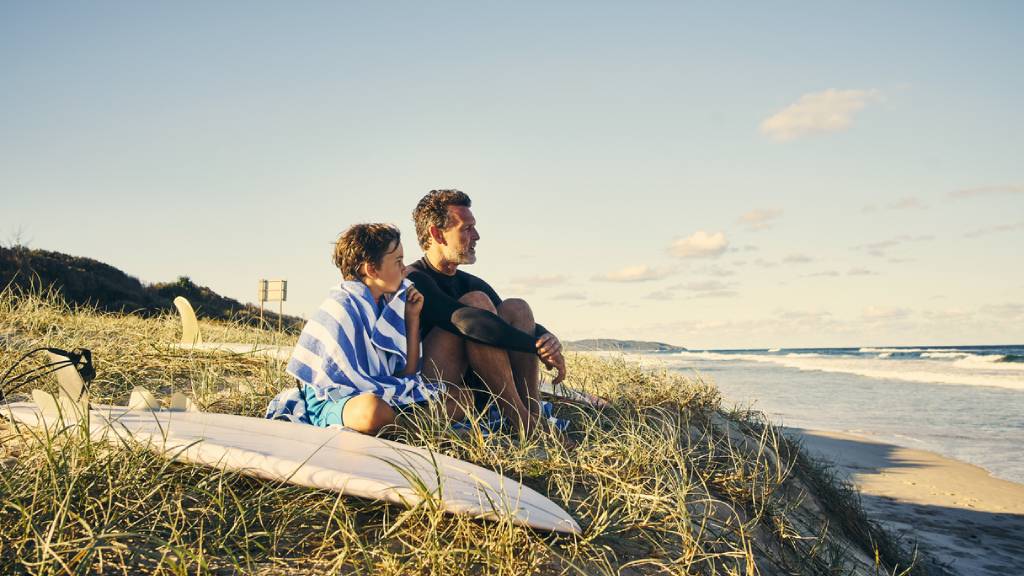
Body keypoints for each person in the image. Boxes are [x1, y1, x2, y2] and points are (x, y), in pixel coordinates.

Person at [266, 223, 472, 435]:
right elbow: (332, 387)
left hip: (385, 394)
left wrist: (412, 318)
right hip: (336, 400)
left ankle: (405, 427)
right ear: (371, 269)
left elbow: (406, 375)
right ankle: (413, 427)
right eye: (398, 262)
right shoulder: (339, 308)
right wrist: (374, 394)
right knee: (372, 411)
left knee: (462, 398)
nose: (404, 269)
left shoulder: (389, 307)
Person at [406, 190, 567, 437]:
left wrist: (549, 342)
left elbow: (511, 326)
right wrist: (535, 345)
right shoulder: (414, 278)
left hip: (474, 385)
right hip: (433, 390)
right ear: (437, 234)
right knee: (476, 306)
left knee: (517, 307)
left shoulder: (470, 282)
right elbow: (470, 323)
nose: (477, 236)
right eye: (466, 229)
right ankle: (522, 421)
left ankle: (533, 412)